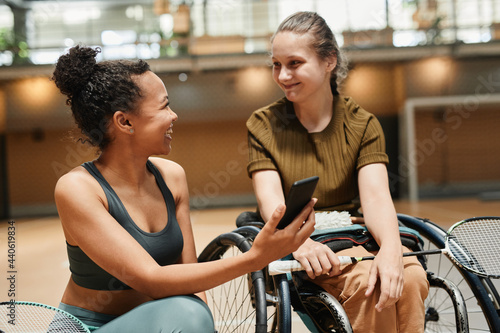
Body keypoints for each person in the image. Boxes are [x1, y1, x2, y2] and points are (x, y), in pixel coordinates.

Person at [51, 45, 317, 332]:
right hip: (87, 327)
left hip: (162, 320)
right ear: (125, 121)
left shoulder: (172, 176)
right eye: (164, 105)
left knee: (190, 311)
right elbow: (150, 279)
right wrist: (255, 259)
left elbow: (191, 279)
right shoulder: (77, 188)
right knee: (185, 313)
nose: (174, 115)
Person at [246, 12, 429, 333]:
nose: (283, 75)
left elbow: (375, 197)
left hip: (352, 230)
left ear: (329, 61)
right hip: (298, 235)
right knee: (366, 283)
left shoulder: (363, 124)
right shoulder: (264, 124)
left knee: (411, 276)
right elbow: (270, 200)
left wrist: (390, 249)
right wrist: (298, 243)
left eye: (294, 63)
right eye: (276, 64)